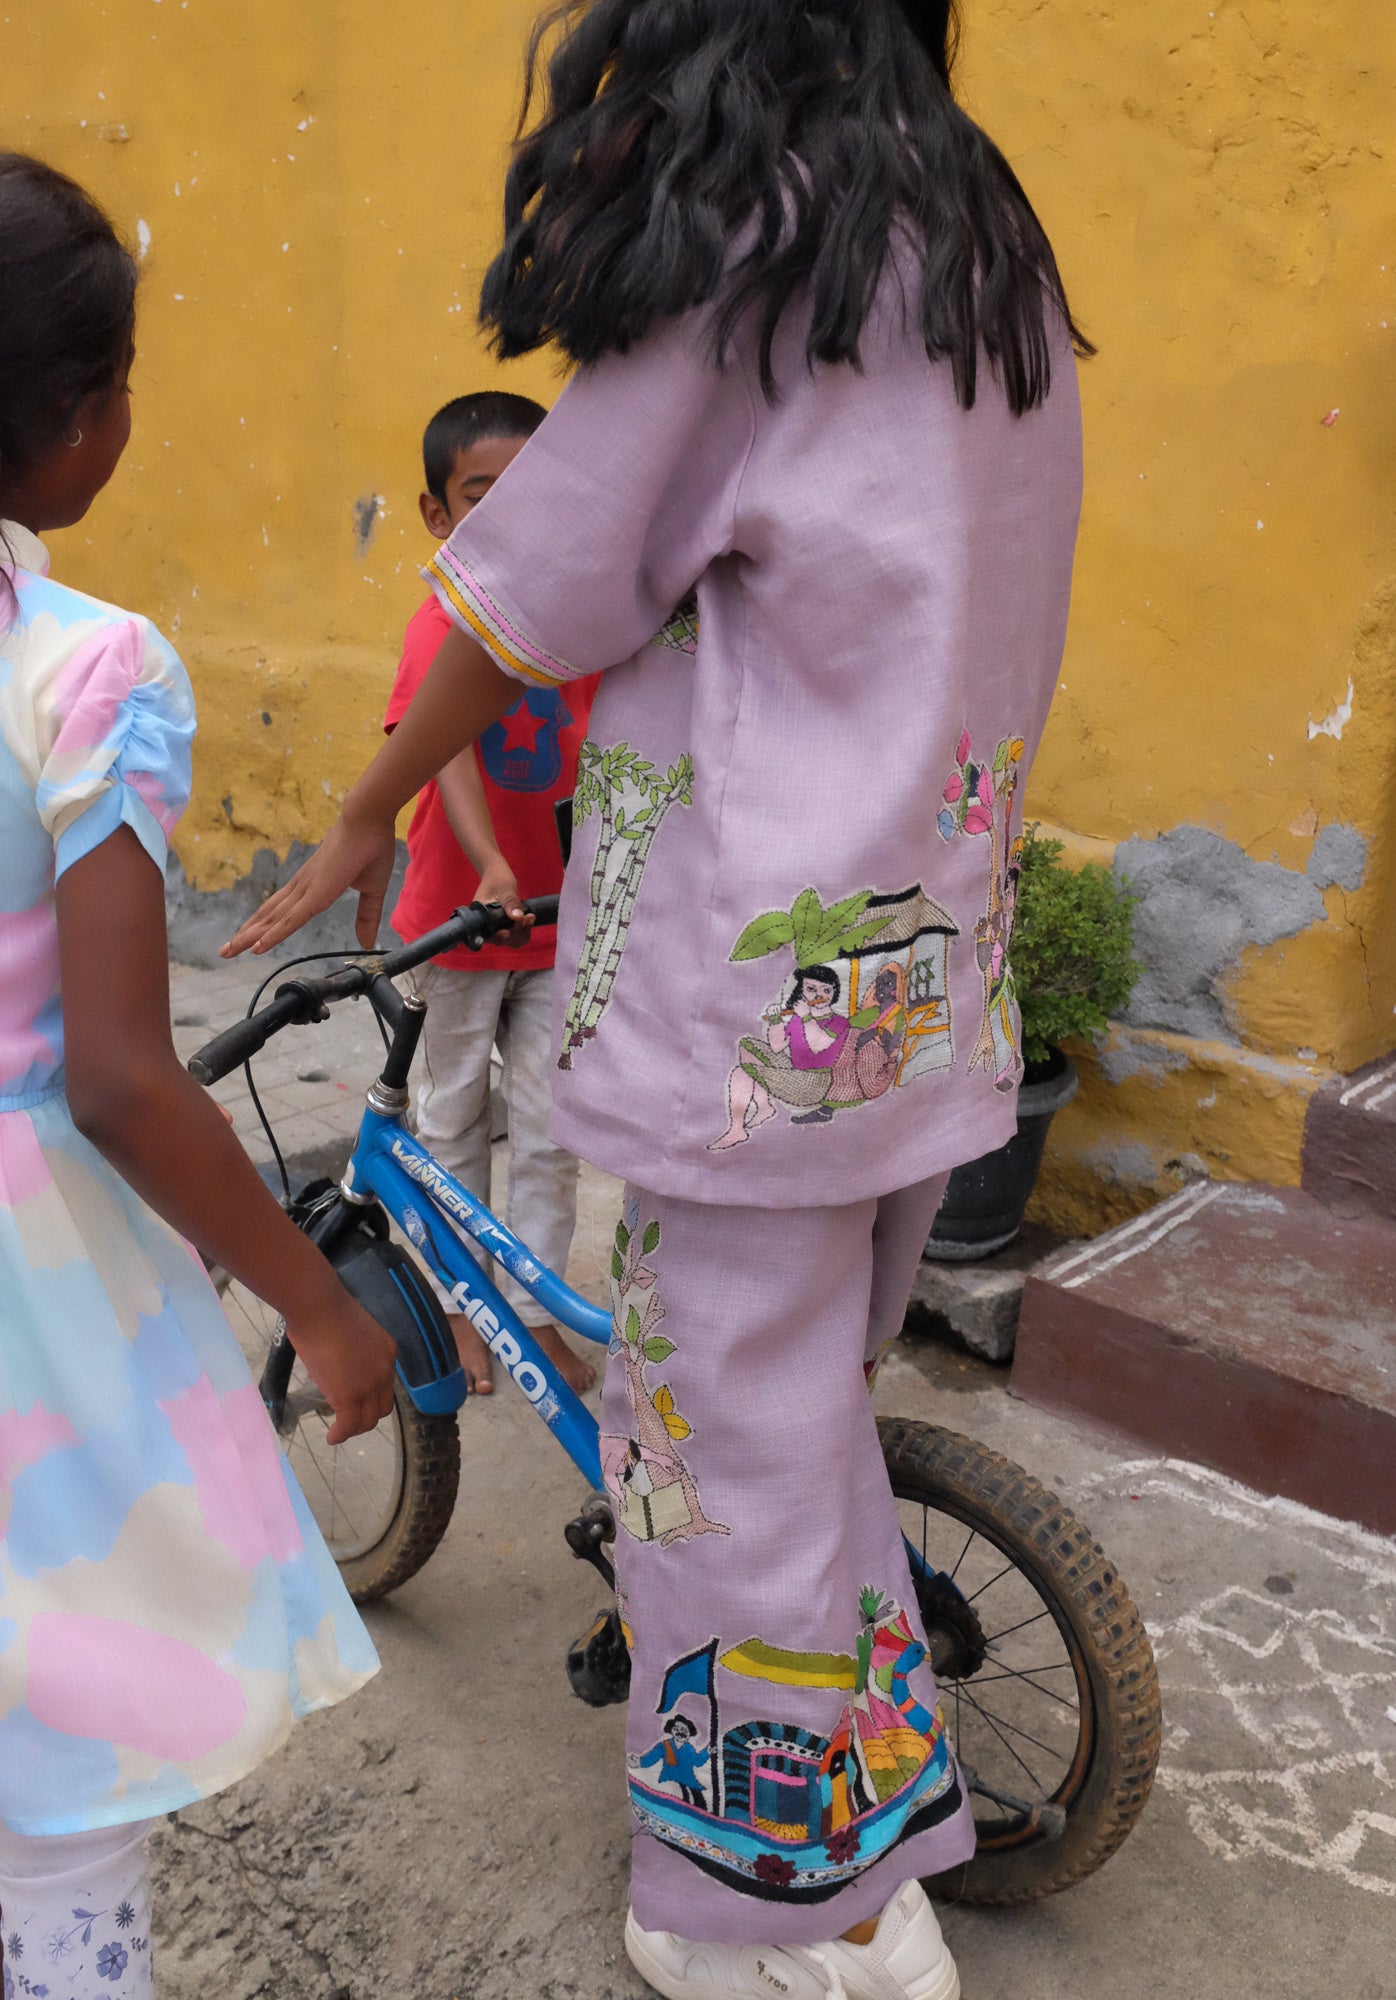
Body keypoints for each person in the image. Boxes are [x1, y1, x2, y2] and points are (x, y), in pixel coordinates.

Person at [224, 3, 1089, 1994]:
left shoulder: (759, 256)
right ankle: (869, 1840)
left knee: (703, 1466)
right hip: (919, 965)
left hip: (745, 992)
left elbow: (522, 587)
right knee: (793, 1436)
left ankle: (779, 1902)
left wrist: (370, 805)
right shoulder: (978, 245)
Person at [0, 153, 397, 1998]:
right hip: (39, 1316)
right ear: (80, 422)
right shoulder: (90, 675)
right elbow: (122, 1083)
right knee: (64, 1773)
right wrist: (320, 1307)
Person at [386, 393, 598, 1397]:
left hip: (561, 929)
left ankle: (536, 1310)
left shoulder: (580, 625)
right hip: (460, 926)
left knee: (556, 1131)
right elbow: (442, 752)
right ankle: (465, 1309)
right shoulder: (443, 622)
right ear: (438, 513)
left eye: (533, 491)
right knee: (451, 1124)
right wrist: (491, 866)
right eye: (483, 494)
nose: (511, 515)